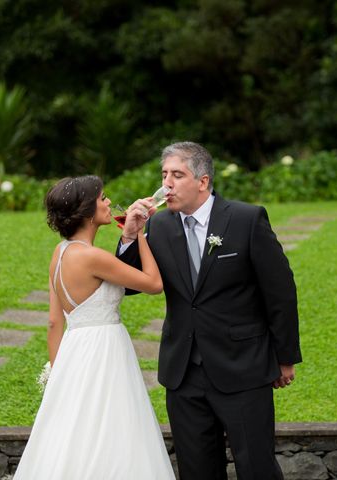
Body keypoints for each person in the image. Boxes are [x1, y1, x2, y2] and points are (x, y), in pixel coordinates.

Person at [118, 142, 302, 479]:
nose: (167, 184)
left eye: (177, 175)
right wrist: (131, 236)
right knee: (197, 470)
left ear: (203, 181)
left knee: (256, 467)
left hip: (243, 367)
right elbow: (128, 284)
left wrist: (285, 356)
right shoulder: (158, 227)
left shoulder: (246, 219)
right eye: (164, 175)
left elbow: (280, 291)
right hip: (183, 373)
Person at [14, 175, 175, 480]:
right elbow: (154, 284)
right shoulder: (92, 257)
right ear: (88, 211)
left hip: (74, 353)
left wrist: (57, 372)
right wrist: (139, 234)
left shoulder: (60, 253)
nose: (109, 202)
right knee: (113, 428)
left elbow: (54, 321)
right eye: (102, 198)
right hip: (104, 352)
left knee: (74, 430)